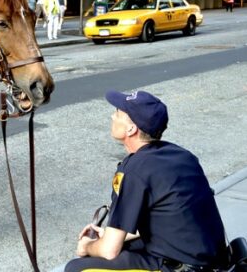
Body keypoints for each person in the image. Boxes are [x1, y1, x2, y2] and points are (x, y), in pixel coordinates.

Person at [64, 90, 228, 272]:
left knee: (76, 268)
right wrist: (108, 235)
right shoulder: (181, 155)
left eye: (118, 113)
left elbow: (109, 251)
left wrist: (86, 246)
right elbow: (166, 219)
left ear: (131, 129)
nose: (112, 115)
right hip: (213, 260)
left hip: (182, 267)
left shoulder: (134, 170)